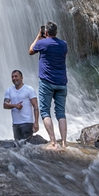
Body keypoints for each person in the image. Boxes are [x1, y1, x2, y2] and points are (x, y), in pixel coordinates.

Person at [29, 20, 69, 149]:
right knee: (61, 113)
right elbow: (64, 54)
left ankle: (53, 142)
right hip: (62, 82)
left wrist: (38, 37)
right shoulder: (64, 44)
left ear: (46, 32)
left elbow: (30, 51)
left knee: (45, 111)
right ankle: (64, 142)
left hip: (46, 82)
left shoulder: (42, 43)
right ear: (56, 32)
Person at [3, 69, 41, 143]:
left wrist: (36, 122)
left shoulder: (29, 89)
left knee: (28, 146)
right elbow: (5, 105)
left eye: (16, 76)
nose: (14, 78)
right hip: (15, 124)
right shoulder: (9, 90)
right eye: (12, 77)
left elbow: (35, 106)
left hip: (27, 123)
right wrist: (15, 105)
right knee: (19, 146)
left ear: (21, 77)